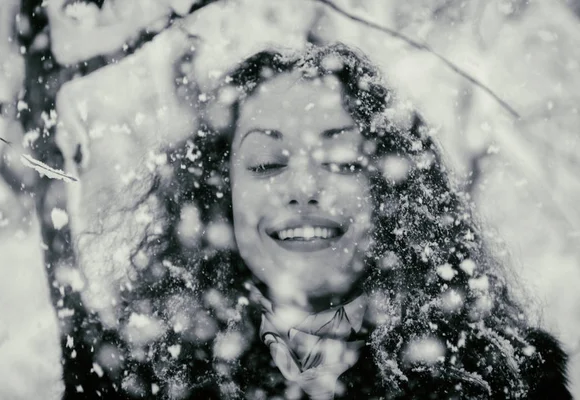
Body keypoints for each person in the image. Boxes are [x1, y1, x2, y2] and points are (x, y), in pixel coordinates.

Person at [61, 43, 572, 399]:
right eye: (266, 163)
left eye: (343, 160)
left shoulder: (502, 380)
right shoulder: (132, 377)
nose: (304, 187)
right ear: (221, 195)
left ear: (387, 188)